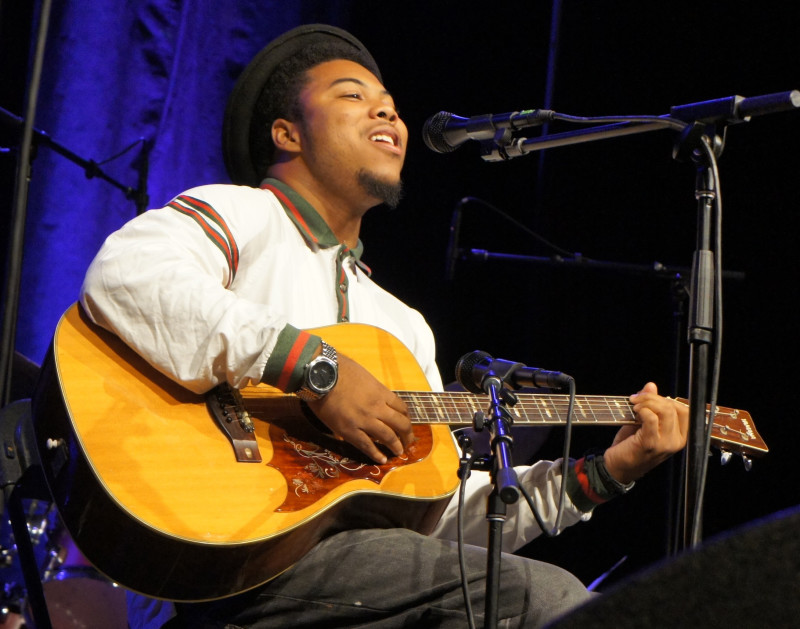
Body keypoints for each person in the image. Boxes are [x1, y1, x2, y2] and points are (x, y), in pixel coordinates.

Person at [79, 24, 688, 629]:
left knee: (508, 597)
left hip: (348, 576)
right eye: (353, 96)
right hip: (225, 553)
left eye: (391, 107)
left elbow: (433, 516)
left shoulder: (401, 326)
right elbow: (127, 277)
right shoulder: (241, 215)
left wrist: (603, 474)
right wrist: (317, 371)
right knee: (547, 598)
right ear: (286, 133)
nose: (389, 115)